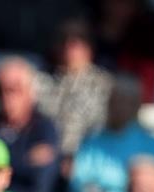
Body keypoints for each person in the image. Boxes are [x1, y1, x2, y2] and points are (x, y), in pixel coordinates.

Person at [69, 75, 154, 192]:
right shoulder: (93, 141)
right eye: (115, 101)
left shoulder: (150, 143)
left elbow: (151, 186)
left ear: (136, 106)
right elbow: (78, 181)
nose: (118, 107)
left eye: (125, 102)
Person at [0, 58, 59, 192]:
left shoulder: (45, 129)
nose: (5, 97)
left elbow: (39, 187)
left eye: (13, 90)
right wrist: (25, 160)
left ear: (30, 92)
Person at [35, 19, 114, 161]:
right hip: (45, 155)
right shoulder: (40, 80)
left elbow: (104, 127)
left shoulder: (104, 84)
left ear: (89, 48)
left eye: (75, 43)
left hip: (87, 157)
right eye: (63, 42)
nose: (67, 48)